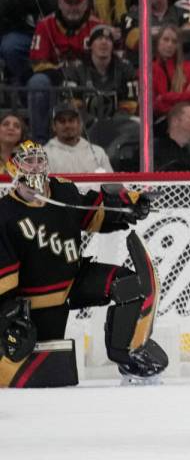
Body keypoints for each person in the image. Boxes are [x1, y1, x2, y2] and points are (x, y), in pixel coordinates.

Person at [0, 140, 167, 387]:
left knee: (130, 285)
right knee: (45, 377)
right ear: (15, 168)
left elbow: (94, 213)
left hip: (74, 280)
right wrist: (7, 316)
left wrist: (127, 207)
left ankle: (130, 359)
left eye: (39, 160)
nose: (35, 167)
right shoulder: (5, 213)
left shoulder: (63, 190)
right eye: (29, 161)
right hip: (36, 302)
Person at [27, 0, 102, 143]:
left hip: (86, 81)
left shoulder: (97, 26)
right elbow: (37, 63)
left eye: (77, 2)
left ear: (86, 4)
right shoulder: (45, 24)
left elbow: (103, 62)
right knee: (37, 82)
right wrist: (64, 75)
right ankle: (39, 141)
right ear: (60, 3)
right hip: (55, 79)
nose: (72, 7)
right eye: (68, 2)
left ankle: (95, 139)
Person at [63, 24, 139, 121]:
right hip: (84, 125)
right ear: (90, 45)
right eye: (99, 38)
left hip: (118, 124)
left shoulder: (125, 68)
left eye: (108, 40)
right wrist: (91, 121)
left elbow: (130, 104)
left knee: (137, 124)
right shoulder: (75, 69)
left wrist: (112, 122)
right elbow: (71, 105)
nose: (104, 43)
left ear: (112, 46)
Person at [152, 24, 190, 118]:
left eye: (174, 42)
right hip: (162, 121)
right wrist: (184, 95)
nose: (170, 45)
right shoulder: (149, 70)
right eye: (165, 39)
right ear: (157, 43)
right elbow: (153, 105)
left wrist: (164, 97)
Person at [44, 103, 113, 173]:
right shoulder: (44, 155)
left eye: (71, 120)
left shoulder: (98, 153)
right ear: (54, 126)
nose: (67, 125)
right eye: (62, 121)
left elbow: (111, 182)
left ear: (79, 124)